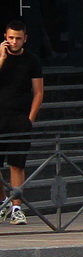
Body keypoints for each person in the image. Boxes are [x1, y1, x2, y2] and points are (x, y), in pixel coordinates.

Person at [0, 21, 43, 225]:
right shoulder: (1, 57)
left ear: (25, 39)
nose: (14, 41)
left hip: (19, 119)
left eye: (18, 38)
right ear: (5, 37)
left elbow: (39, 92)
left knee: (16, 164)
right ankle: (2, 204)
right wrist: (1, 59)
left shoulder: (31, 60)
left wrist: (30, 119)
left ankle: (16, 207)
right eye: (11, 38)